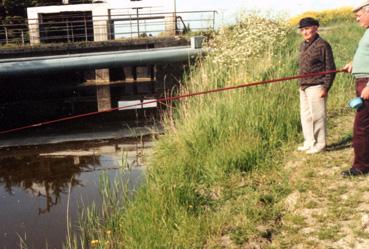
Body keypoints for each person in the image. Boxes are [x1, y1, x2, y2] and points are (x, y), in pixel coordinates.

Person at [297, 17, 336, 154]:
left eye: (307, 28)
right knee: (306, 116)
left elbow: (330, 67)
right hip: (303, 86)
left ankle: (320, 145)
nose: (304, 32)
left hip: (317, 86)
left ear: (316, 28)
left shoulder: (323, 45)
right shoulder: (302, 45)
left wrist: (325, 87)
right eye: (302, 29)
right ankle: (309, 142)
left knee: (318, 116)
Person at [341, 1, 369, 177]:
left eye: (359, 15)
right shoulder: (367, 32)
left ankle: (361, 166)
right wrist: (354, 64)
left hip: (367, 83)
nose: (357, 19)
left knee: (361, 126)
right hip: (362, 80)